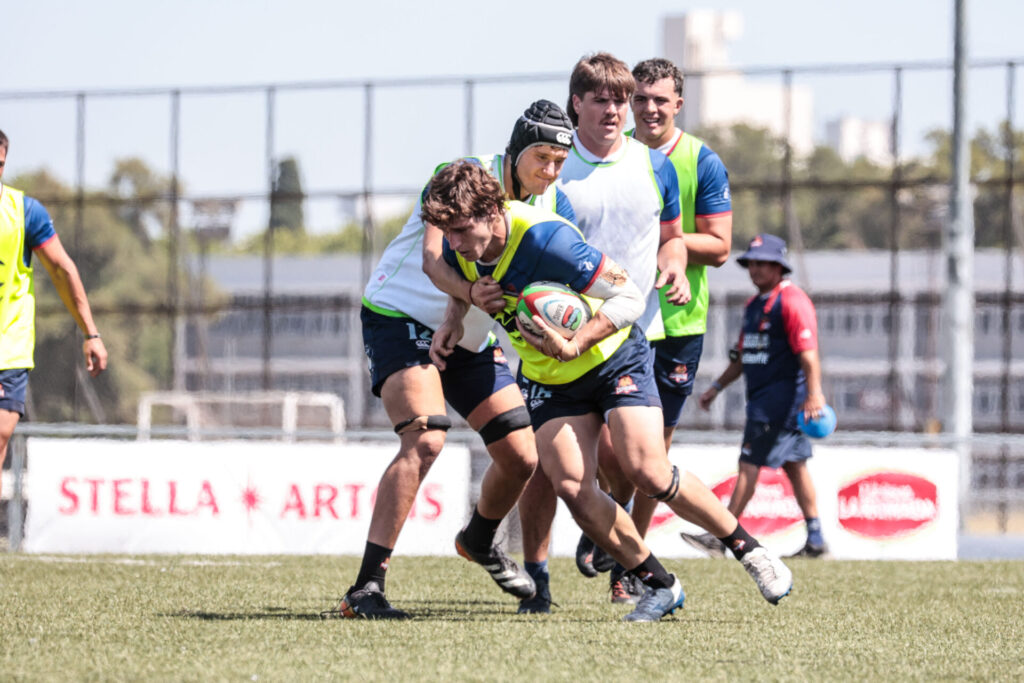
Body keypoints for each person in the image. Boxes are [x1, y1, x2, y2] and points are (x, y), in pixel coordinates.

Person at [425, 160, 794, 623]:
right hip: (549, 379)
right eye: (447, 232)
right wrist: (455, 317)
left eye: (460, 230)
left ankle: (750, 551)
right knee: (572, 487)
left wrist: (576, 343)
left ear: (492, 210)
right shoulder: (464, 246)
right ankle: (659, 585)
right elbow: (459, 285)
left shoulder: (546, 239)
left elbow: (630, 297)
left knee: (648, 471)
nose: (453, 242)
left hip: (612, 357)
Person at [324, 101, 577, 620]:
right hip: (400, 314)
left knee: (521, 455)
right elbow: (433, 258)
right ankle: (365, 589)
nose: (550, 170)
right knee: (426, 437)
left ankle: (479, 538)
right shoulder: (460, 176)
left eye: (559, 160)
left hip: (468, 332)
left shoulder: (554, 206)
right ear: (516, 151)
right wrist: (465, 298)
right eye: (542, 157)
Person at [516, 51, 694, 608]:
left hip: (626, 335)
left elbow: (673, 237)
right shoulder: (554, 169)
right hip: (557, 338)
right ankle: (536, 577)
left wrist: (675, 263)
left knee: (626, 461)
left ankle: (619, 554)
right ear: (577, 104)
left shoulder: (656, 165)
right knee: (545, 469)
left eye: (622, 100)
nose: (616, 110)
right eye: (602, 100)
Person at [587, 57, 734, 581]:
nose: (649, 109)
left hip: (678, 323)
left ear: (678, 104)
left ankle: (629, 567)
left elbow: (720, 246)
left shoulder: (701, 160)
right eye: (640, 99)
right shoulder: (610, 153)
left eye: (660, 100)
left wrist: (667, 243)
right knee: (607, 445)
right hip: (615, 317)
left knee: (654, 456)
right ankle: (605, 514)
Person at [681, 234, 829, 559]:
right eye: (751, 263)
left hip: (780, 405)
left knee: (748, 465)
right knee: (795, 466)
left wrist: (815, 393)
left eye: (763, 263)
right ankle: (817, 539)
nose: (755, 269)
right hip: (764, 401)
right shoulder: (754, 305)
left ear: (779, 266)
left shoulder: (792, 301)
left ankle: (721, 536)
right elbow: (742, 357)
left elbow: (809, 353)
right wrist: (716, 387)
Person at [0, 129, 108, 497]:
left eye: (0, 164)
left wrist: (91, 333)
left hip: (8, 348)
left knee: (1, 433)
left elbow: (62, 270)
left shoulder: (24, 212)